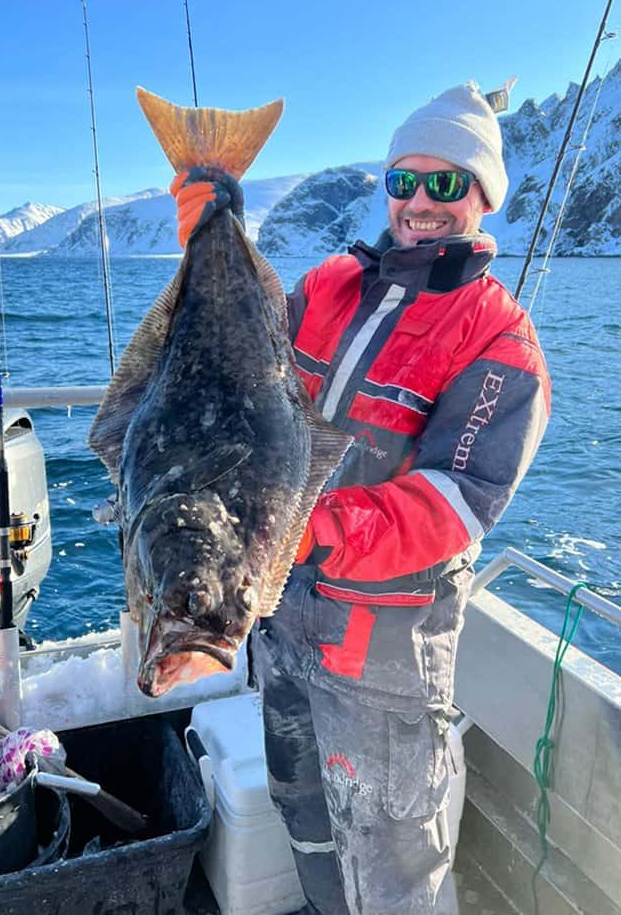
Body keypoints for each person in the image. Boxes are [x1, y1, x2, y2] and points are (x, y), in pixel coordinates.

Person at [171, 81, 551, 914]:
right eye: (404, 180)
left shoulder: (501, 338)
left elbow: (457, 503)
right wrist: (205, 233)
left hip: (383, 652)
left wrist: (308, 528)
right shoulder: (330, 284)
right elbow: (242, 348)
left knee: (392, 862)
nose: (420, 201)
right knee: (301, 812)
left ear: (484, 196)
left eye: (447, 183)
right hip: (280, 621)